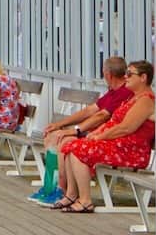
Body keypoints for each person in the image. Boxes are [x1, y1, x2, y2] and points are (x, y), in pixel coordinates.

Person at [53, 61, 156, 214]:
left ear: (143, 77)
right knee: (71, 146)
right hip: (118, 145)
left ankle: (85, 200)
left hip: (130, 151)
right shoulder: (134, 98)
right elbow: (113, 121)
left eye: (130, 74)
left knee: (77, 149)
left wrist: (99, 137)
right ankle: (71, 194)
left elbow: (125, 128)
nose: (125, 77)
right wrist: (94, 134)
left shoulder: (146, 100)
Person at [29, 56, 132, 206]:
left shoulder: (123, 92)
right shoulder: (113, 91)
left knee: (64, 141)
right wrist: (60, 124)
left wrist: (74, 131)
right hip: (97, 135)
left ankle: (61, 189)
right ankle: (51, 187)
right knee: (53, 136)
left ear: (107, 74)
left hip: (105, 138)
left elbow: (101, 116)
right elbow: (91, 110)